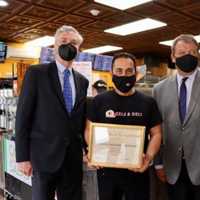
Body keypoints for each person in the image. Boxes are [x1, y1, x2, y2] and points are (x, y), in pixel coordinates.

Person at [15, 25, 89, 200]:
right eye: (63, 41)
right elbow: (23, 116)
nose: (68, 45)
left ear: (78, 49)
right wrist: (22, 157)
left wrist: (88, 150)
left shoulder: (83, 81)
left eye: (73, 43)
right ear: (54, 46)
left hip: (72, 159)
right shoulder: (36, 73)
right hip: (43, 157)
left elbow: (80, 121)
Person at [85, 52, 162, 200]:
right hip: (107, 170)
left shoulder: (148, 102)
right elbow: (89, 130)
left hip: (137, 169)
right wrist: (94, 152)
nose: (124, 75)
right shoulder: (99, 101)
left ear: (136, 73)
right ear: (111, 72)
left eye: (129, 71)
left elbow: (156, 133)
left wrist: (148, 158)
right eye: (119, 71)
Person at [153, 34, 200, 200]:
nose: (188, 56)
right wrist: (158, 163)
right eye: (182, 53)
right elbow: (156, 130)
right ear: (172, 56)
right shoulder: (159, 89)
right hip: (172, 167)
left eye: (193, 52)